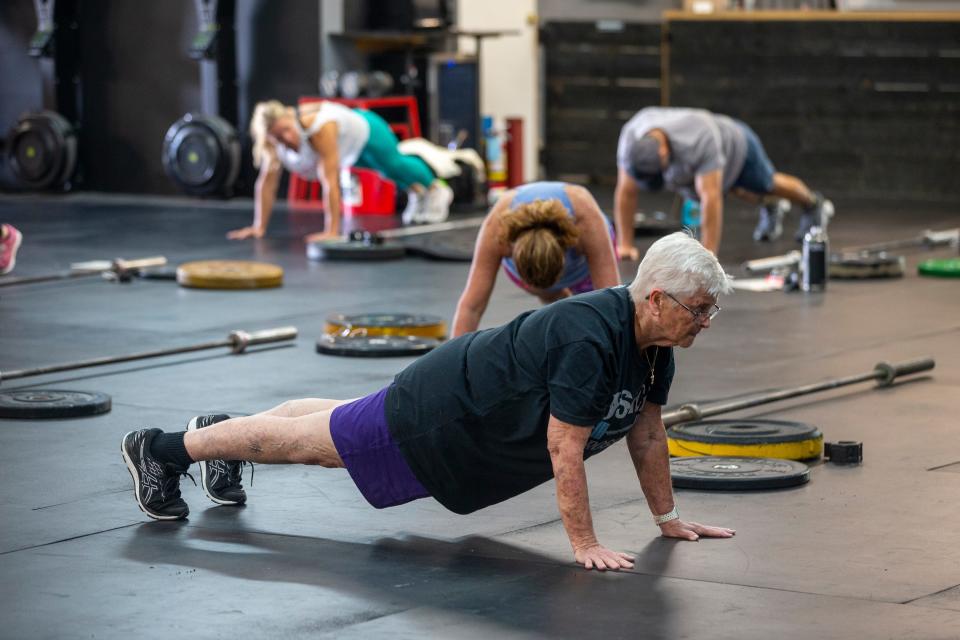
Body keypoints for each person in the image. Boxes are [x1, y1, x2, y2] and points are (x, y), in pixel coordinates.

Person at [121, 231, 736, 571]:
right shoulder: (591, 339)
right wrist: (583, 545)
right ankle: (165, 449)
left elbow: (648, 432)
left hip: (456, 397)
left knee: (328, 422)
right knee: (317, 447)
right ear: (655, 297)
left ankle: (220, 432)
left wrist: (666, 518)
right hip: (441, 417)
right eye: (699, 308)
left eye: (710, 309)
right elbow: (563, 446)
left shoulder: (655, 344)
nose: (707, 321)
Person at [614, 106, 834, 258]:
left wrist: (708, 255)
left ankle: (813, 204)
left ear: (663, 152)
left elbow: (711, 198)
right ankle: (771, 205)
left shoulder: (698, 138)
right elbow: (626, 192)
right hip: (702, 161)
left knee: (767, 183)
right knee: (739, 191)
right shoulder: (630, 139)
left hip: (738, 144)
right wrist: (625, 245)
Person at [228, 100, 453, 242]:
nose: (285, 138)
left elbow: (330, 181)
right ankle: (417, 192)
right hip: (350, 149)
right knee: (384, 173)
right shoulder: (274, 147)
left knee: (393, 164)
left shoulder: (317, 128)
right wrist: (259, 227)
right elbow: (267, 184)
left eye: (286, 130)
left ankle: (437, 188)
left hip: (367, 130)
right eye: (277, 136)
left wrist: (332, 231)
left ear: (290, 116)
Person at [451, 181, 620, 338]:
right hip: (528, 266)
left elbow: (613, 302)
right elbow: (471, 307)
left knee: (595, 311)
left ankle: (566, 306)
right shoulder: (497, 228)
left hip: (581, 269)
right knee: (566, 312)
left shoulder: (585, 220)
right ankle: (556, 298)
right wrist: (452, 362)